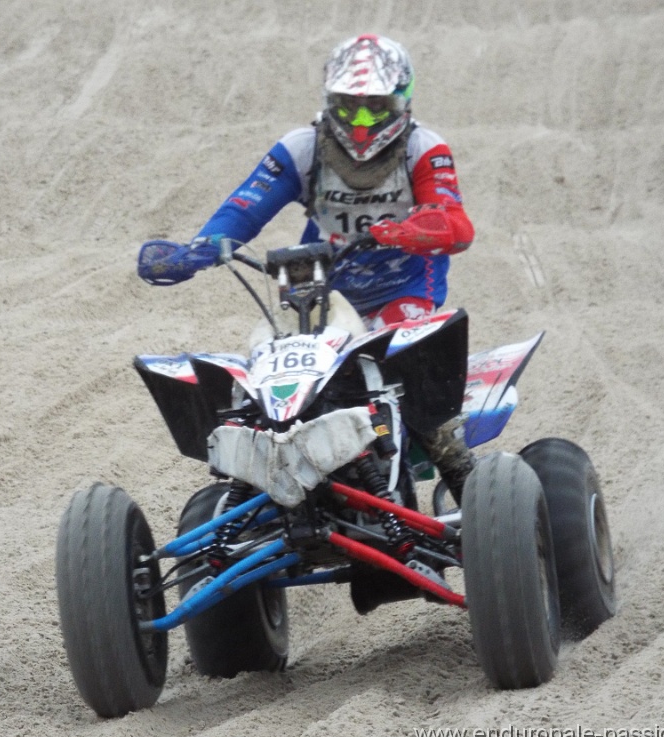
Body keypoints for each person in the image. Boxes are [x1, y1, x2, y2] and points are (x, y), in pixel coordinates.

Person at [139, 34, 475, 502]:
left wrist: (403, 230)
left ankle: (468, 482)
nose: (359, 123)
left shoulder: (424, 148)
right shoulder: (302, 147)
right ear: (327, 99)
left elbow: (456, 224)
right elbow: (244, 208)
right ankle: (263, 482)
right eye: (347, 105)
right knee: (282, 382)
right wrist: (201, 248)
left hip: (406, 286)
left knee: (409, 378)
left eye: (374, 107)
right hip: (324, 291)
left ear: (401, 100)